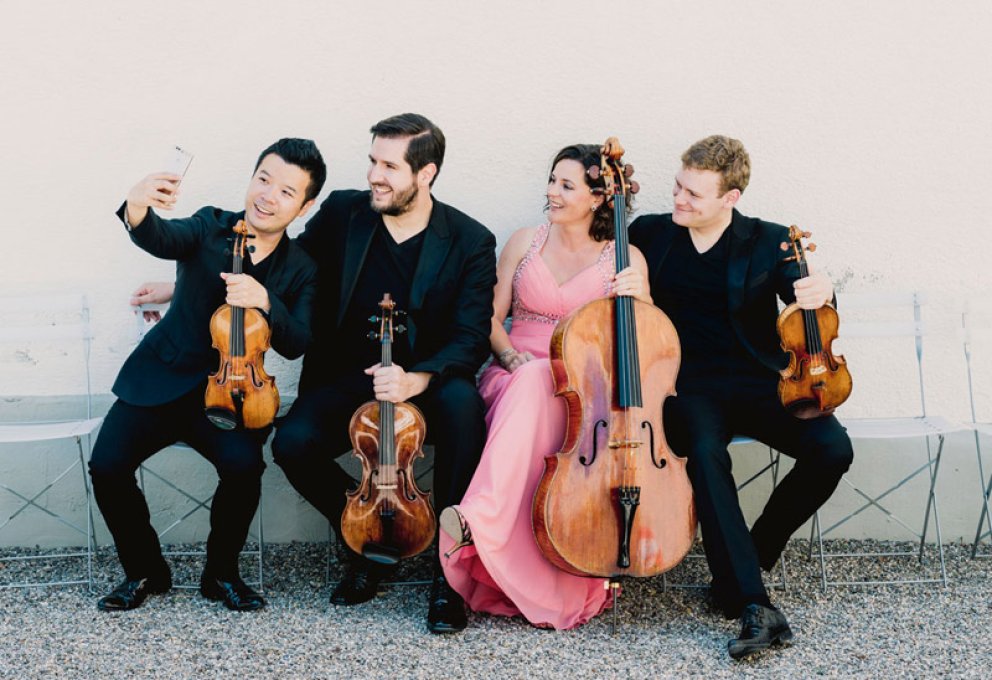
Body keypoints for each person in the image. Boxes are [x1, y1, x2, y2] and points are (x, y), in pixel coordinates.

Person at [628, 135, 854, 660]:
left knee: (833, 450)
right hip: (685, 385)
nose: (679, 199)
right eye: (678, 187)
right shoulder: (649, 234)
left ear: (730, 198)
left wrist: (822, 291)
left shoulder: (769, 241)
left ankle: (753, 553)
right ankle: (754, 603)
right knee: (706, 453)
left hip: (760, 382)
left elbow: (809, 303)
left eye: (694, 194)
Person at [269, 113, 496, 634]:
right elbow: (287, 266)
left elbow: (470, 336)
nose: (374, 175)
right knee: (292, 444)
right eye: (373, 161)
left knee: (464, 410)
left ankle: (449, 572)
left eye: (390, 166)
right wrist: (189, 284)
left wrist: (418, 379)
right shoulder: (343, 213)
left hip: (426, 383)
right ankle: (368, 540)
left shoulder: (469, 240)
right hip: (349, 378)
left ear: (426, 173)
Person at [90, 138, 325, 612]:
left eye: (286, 192)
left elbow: (298, 340)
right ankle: (144, 570)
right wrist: (137, 206)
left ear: (304, 206)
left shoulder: (301, 268)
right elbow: (160, 237)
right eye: (263, 180)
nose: (268, 196)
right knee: (107, 465)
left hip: (234, 394)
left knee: (244, 469)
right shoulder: (209, 225)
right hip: (161, 377)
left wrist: (265, 300)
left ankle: (221, 574)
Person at [437, 143, 652, 629]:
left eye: (566, 185)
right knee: (535, 376)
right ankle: (483, 522)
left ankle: (482, 520)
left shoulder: (625, 257)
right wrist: (509, 356)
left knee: (548, 383)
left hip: (584, 389)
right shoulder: (524, 242)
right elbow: (490, 318)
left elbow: (644, 340)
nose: (552, 192)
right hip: (514, 374)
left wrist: (640, 299)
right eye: (552, 180)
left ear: (599, 198)